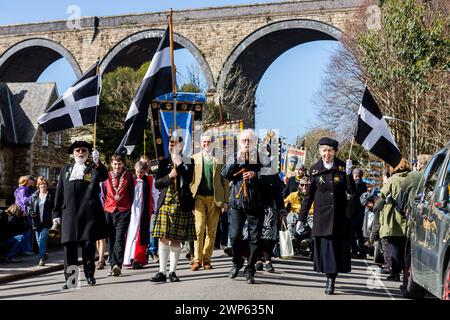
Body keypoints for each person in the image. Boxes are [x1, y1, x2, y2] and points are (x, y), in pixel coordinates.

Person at [298, 137, 354, 295]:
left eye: (330, 150)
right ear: (320, 151)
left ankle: (332, 278)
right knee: (327, 249)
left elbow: (351, 191)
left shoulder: (343, 167)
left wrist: (349, 175)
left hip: (340, 217)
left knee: (336, 250)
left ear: (335, 151)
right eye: (324, 150)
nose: (327, 153)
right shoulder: (315, 169)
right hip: (322, 217)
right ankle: (329, 279)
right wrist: (301, 219)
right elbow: (308, 196)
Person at [52, 141, 108, 289]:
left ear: (88, 153)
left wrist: (98, 162)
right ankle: (71, 280)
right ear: (73, 153)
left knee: (88, 246)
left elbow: (104, 176)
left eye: (84, 150)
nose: (81, 153)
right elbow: (59, 193)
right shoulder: (65, 170)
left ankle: (90, 275)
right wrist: (56, 213)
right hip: (68, 214)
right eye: (78, 150)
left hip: (87, 214)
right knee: (69, 248)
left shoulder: (92, 169)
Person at [150, 133, 196, 283]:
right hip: (165, 202)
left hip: (181, 203)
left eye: (175, 144)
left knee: (176, 239)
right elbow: (157, 184)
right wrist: (169, 176)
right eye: (170, 143)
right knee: (163, 238)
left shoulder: (189, 161)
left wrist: (180, 164)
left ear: (181, 146)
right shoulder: (163, 163)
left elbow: (189, 178)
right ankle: (161, 272)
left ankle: (172, 272)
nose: (171, 146)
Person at [221, 129, 263, 284]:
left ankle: (250, 269)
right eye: (244, 140)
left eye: (249, 140)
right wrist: (236, 159)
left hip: (256, 204)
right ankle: (237, 262)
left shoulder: (262, 157)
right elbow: (225, 173)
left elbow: (272, 177)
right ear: (240, 142)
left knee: (255, 238)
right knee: (234, 235)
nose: (247, 143)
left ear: (254, 142)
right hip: (237, 203)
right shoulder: (235, 155)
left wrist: (255, 175)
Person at [190, 130, 229, 271]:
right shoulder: (194, 158)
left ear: (213, 143)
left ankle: (207, 259)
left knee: (211, 231)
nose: (206, 144)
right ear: (201, 143)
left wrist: (225, 201)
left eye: (208, 142)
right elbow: (190, 181)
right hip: (199, 198)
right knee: (199, 229)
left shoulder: (219, 159)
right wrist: (190, 201)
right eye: (204, 142)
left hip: (215, 198)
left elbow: (225, 182)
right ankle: (197, 259)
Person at [102, 154, 134, 277]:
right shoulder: (106, 176)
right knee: (111, 239)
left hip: (123, 210)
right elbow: (103, 194)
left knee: (120, 237)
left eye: (119, 164)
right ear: (111, 164)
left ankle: (117, 265)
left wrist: (130, 209)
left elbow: (131, 193)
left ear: (123, 164)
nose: (117, 166)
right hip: (109, 210)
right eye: (115, 164)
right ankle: (112, 265)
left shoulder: (129, 176)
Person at [379, 158, 411, 282]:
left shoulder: (393, 179)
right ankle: (406, 273)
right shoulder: (411, 178)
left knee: (394, 248)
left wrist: (386, 182)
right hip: (407, 217)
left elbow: (382, 194)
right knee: (405, 248)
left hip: (394, 219)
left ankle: (395, 273)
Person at [123, 161, 156, 269]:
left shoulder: (150, 180)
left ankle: (138, 258)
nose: (139, 175)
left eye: (141, 173)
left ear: (145, 171)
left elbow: (155, 194)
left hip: (144, 210)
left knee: (142, 234)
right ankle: (129, 257)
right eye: (137, 172)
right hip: (133, 210)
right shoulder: (131, 180)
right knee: (132, 233)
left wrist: (155, 208)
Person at [27, 176, 53, 266]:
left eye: (45, 184)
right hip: (36, 221)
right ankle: (44, 254)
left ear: (47, 185)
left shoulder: (50, 195)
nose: (43, 186)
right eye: (41, 185)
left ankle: (41, 259)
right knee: (38, 241)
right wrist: (31, 213)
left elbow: (54, 208)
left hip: (46, 221)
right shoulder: (34, 196)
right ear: (38, 186)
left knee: (42, 239)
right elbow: (29, 206)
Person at [140, 155, 160, 264]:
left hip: (151, 209)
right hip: (140, 209)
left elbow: (156, 194)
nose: (145, 165)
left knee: (152, 231)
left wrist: (156, 208)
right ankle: (144, 252)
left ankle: (153, 251)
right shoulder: (137, 176)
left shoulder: (153, 176)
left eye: (147, 163)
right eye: (143, 163)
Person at [14, 175, 34, 255]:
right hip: (23, 214)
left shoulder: (24, 190)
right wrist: (34, 196)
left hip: (24, 214)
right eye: (30, 180)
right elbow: (25, 201)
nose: (32, 181)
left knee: (27, 232)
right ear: (27, 181)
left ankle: (26, 249)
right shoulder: (23, 190)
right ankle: (26, 250)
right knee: (27, 232)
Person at [350, 167, 368, 259]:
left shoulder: (358, 184)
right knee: (358, 233)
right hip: (359, 212)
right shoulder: (363, 184)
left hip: (355, 212)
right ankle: (362, 250)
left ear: (356, 175)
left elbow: (352, 198)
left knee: (352, 232)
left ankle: (356, 250)